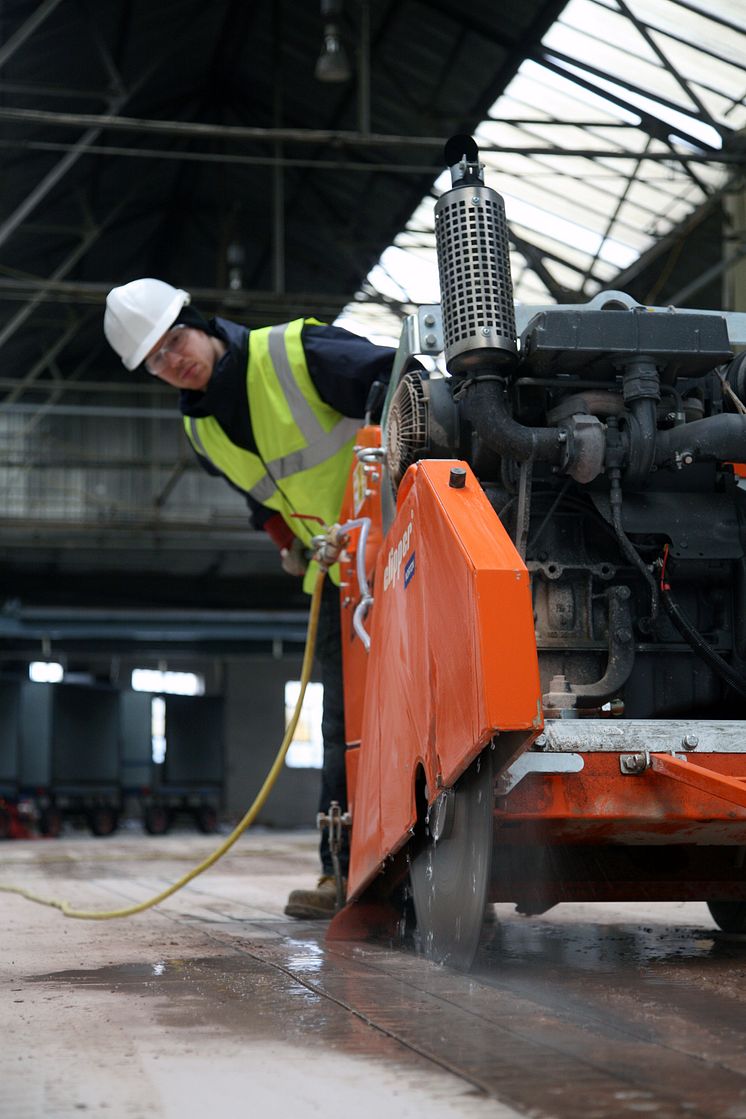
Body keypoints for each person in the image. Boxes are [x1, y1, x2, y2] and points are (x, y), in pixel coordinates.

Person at [103, 278, 395, 918]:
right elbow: (260, 491)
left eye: (175, 340)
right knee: (344, 726)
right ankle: (339, 874)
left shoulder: (296, 354)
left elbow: (401, 380)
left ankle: (443, 867)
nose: (173, 361)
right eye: (156, 360)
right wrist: (282, 539)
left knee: (421, 714)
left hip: (404, 557)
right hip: (342, 579)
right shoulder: (202, 432)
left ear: (197, 320)